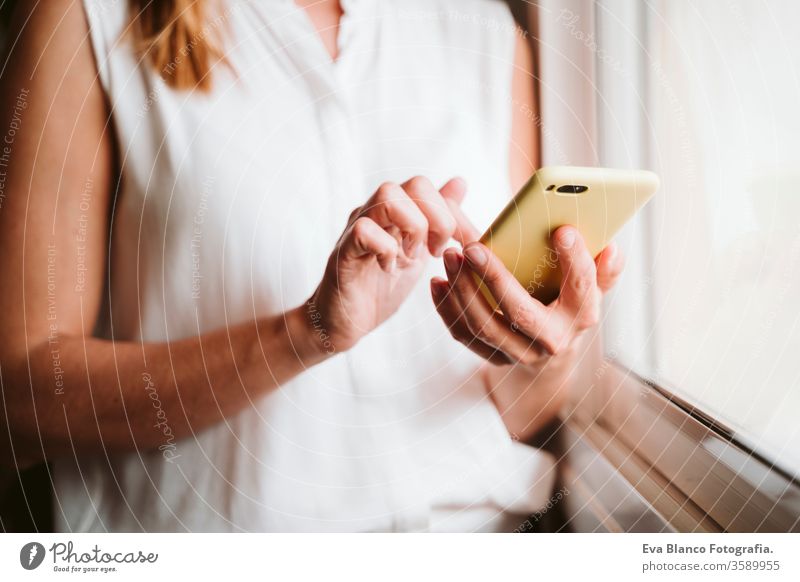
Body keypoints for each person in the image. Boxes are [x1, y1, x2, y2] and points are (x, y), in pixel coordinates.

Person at [0, 0, 623, 532]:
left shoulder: (484, 32)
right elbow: (21, 396)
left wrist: (546, 350)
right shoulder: (88, 16)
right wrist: (304, 334)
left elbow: (514, 412)